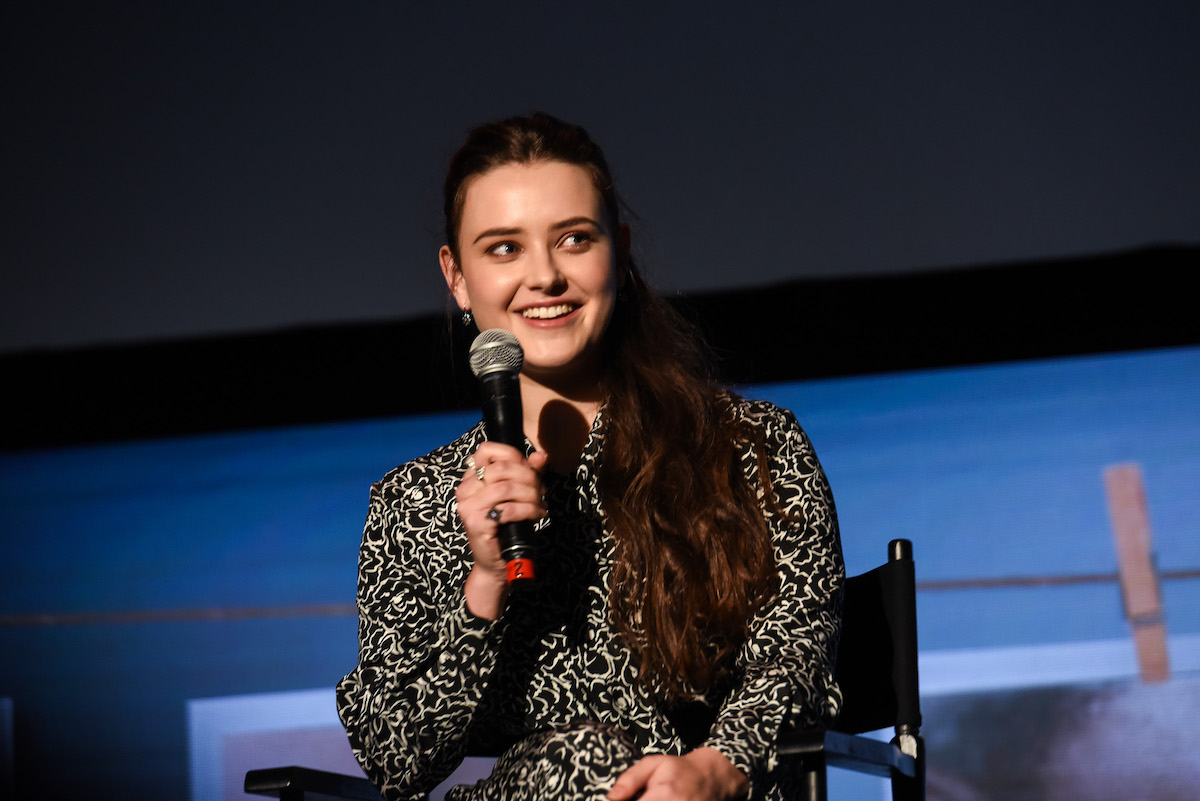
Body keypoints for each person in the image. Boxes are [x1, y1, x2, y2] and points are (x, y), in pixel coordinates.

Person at [336, 113, 843, 801]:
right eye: (504, 249)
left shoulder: (751, 446)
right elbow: (395, 758)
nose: (545, 276)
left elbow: (796, 655)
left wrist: (716, 766)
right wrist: (485, 580)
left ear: (620, 252)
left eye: (575, 239)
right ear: (456, 277)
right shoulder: (414, 502)